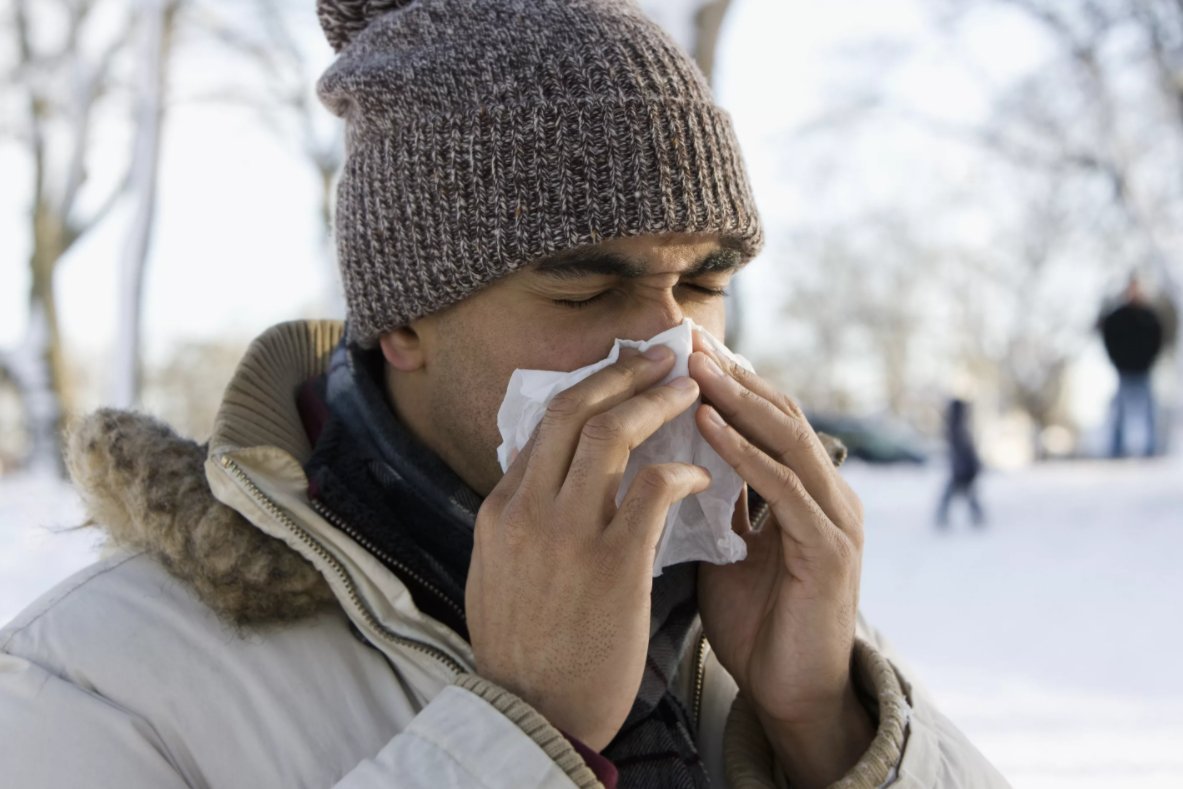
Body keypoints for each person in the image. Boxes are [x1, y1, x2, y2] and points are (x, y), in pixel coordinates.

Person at [0, 2, 1008, 786]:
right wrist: (521, 733)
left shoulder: (751, 609)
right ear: (403, 322)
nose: (669, 342)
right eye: (585, 286)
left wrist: (825, 724)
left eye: (703, 285)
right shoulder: (95, 679)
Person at [1100, 276, 1164, 458]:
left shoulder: (1149, 316)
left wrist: (1150, 360)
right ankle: (1116, 449)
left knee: (1150, 410)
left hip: (1144, 369)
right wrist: (1115, 359)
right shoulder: (1118, 316)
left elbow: (1158, 339)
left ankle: (1150, 448)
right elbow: (1108, 336)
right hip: (1123, 369)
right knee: (1119, 410)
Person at [936, 398, 985, 529]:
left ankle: (942, 519)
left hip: (962, 469)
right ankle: (977, 518)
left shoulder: (956, 426)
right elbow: (962, 450)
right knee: (964, 495)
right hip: (962, 469)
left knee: (958, 496)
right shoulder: (958, 426)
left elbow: (963, 450)